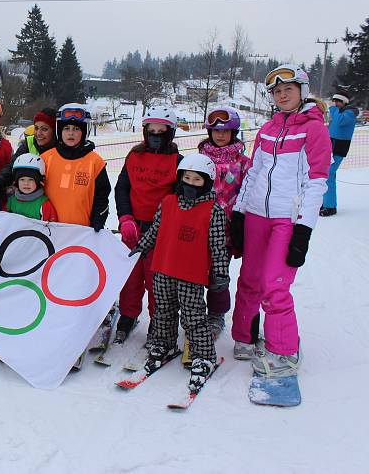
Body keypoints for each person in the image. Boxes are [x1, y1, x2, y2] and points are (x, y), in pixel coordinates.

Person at [230, 64, 331, 377]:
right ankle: (245, 337)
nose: (283, 95)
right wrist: (239, 211)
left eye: (288, 89)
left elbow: (317, 181)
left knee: (274, 284)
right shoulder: (267, 129)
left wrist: (304, 229)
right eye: (277, 91)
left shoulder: (314, 129)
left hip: (287, 219)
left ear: (302, 91)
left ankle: (284, 351)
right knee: (249, 280)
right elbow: (254, 173)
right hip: (257, 215)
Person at [129, 153, 229, 391]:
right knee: (163, 311)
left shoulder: (212, 210)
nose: (191, 184)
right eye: (187, 178)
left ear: (207, 182)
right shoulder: (168, 203)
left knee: (193, 317)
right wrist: (139, 248)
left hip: (190, 274)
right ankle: (163, 344)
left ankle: (203, 355)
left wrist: (220, 274)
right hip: (162, 268)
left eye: (197, 180)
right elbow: (154, 231)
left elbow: (217, 246)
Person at [113, 106, 183, 343]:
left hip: (160, 231)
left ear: (170, 133)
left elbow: (178, 197)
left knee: (157, 280)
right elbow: (122, 187)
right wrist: (125, 217)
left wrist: (166, 224)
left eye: (161, 130)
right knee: (130, 277)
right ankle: (129, 314)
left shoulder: (178, 161)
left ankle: (158, 319)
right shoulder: (134, 155)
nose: (155, 134)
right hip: (133, 227)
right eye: (151, 130)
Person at [197, 106, 251, 336]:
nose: (220, 135)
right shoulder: (198, 160)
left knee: (219, 274)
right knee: (195, 271)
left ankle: (216, 315)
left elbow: (250, 193)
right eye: (216, 131)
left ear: (234, 133)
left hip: (226, 232)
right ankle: (194, 310)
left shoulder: (243, 163)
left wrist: (242, 224)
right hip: (199, 227)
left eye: (226, 131)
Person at [41, 103, 110, 228]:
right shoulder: (46, 158)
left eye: (76, 129)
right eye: (66, 128)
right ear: (59, 131)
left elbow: (102, 197)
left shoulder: (95, 162)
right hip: (49, 230)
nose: (71, 133)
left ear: (84, 132)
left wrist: (97, 221)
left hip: (81, 233)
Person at [0, 108, 57, 202]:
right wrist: (0, 180)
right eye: (36, 128)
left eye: (44, 129)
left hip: (52, 199)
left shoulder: (60, 149)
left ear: (54, 131)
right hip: (31, 198)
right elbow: (12, 166)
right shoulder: (29, 143)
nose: (38, 133)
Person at [321, 89, 359, 216]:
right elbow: (332, 127)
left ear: (344, 102)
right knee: (326, 175)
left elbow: (339, 122)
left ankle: (330, 206)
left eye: (338, 101)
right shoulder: (340, 112)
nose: (335, 103)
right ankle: (326, 202)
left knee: (328, 174)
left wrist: (333, 110)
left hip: (339, 148)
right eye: (334, 101)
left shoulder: (349, 113)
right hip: (331, 147)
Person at [4, 153, 58, 222]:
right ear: (16, 182)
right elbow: (5, 221)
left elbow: (51, 227)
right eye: (22, 180)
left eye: (31, 180)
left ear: (38, 181)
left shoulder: (43, 204)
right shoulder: (12, 201)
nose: (26, 183)